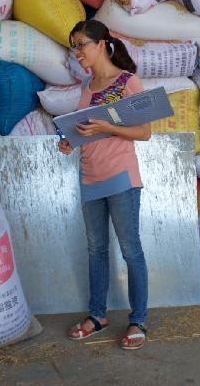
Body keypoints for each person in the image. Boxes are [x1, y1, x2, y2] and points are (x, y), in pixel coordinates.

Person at [58, 19, 151, 350]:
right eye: (74, 46)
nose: (77, 52)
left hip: (121, 177)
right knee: (96, 249)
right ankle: (98, 315)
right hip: (90, 177)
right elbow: (87, 130)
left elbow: (144, 132)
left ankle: (138, 320)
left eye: (81, 44)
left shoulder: (127, 82)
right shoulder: (87, 87)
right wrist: (71, 140)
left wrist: (104, 128)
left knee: (130, 250)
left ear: (101, 44)